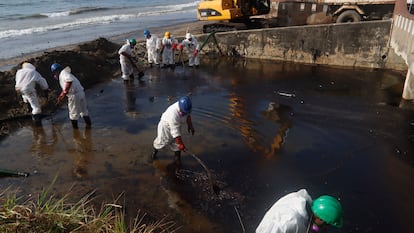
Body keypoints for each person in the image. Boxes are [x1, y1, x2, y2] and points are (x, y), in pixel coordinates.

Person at [256, 189, 343, 233]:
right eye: (326, 224)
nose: (326, 228)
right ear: (320, 219)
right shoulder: (288, 222)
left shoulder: (304, 201)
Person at [150, 96, 195, 166]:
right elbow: (175, 132)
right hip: (165, 127)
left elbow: (188, 115)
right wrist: (181, 144)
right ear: (180, 107)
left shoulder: (186, 108)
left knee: (176, 146)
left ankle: (178, 160)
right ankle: (153, 154)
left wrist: (190, 126)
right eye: (184, 112)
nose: (185, 113)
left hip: (176, 125)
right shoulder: (173, 114)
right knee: (161, 142)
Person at [51, 63, 92, 129]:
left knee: (73, 115)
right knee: (84, 112)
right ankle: (89, 127)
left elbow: (69, 81)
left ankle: (76, 133)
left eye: (54, 73)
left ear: (56, 71)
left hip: (74, 95)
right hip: (81, 93)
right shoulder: (65, 73)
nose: (55, 75)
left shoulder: (63, 73)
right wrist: (62, 94)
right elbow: (67, 85)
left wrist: (64, 93)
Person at [15, 62, 50, 126]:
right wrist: (46, 89)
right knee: (36, 108)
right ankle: (37, 125)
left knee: (26, 96)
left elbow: (19, 82)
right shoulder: (33, 72)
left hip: (19, 89)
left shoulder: (19, 72)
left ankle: (28, 107)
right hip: (28, 89)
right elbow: (42, 81)